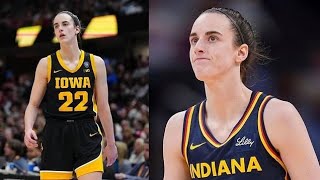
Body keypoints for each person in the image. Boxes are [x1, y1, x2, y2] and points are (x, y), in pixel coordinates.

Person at [163, 7, 320, 180]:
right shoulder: (178, 128)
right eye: (194, 40)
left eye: (212, 38)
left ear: (240, 52)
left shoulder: (277, 116)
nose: (198, 47)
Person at [24, 11, 118, 180]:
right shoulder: (46, 64)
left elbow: (103, 107)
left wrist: (111, 143)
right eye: (56, 26)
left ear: (76, 29)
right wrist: (28, 128)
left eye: (65, 24)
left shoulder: (96, 63)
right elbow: (33, 104)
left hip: (86, 131)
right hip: (55, 133)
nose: (60, 28)